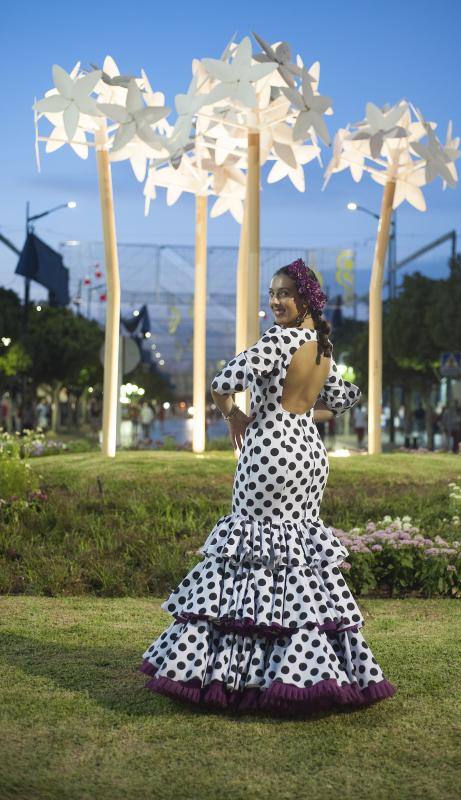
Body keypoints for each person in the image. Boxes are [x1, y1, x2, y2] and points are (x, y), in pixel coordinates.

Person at [139, 257, 397, 715]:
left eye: (283, 293)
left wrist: (234, 414)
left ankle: (243, 670)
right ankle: (309, 664)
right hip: (308, 453)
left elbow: (223, 382)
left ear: (305, 299)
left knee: (253, 550)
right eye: (271, 294)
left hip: (268, 453)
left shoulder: (279, 340)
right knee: (296, 551)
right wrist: (297, 414)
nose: (275, 301)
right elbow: (342, 400)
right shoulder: (322, 346)